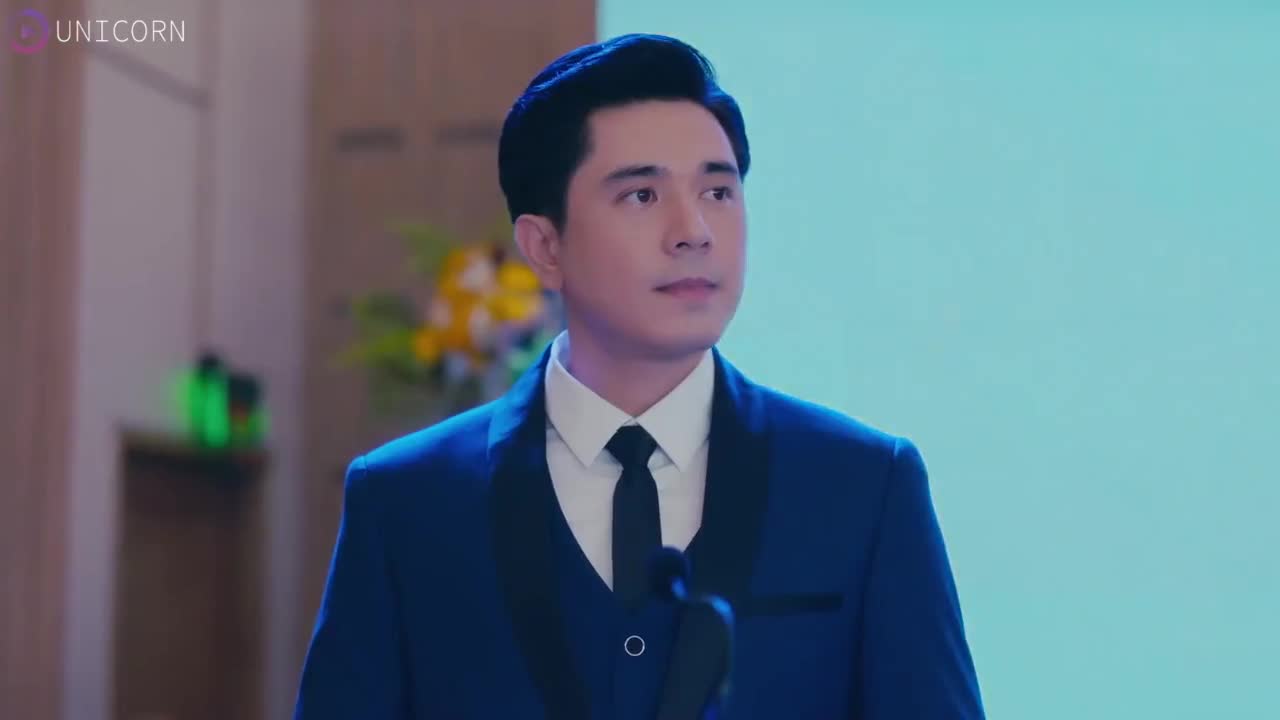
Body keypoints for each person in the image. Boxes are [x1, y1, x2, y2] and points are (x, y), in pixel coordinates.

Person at [294, 33, 984, 720]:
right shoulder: (407, 502)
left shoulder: (863, 486)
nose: (694, 231)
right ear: (545, 246)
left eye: (718, 191)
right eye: (643, 195)